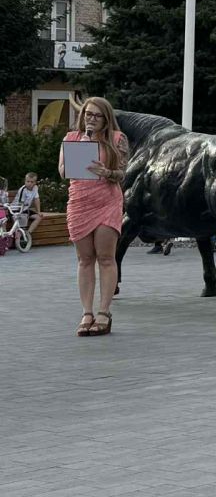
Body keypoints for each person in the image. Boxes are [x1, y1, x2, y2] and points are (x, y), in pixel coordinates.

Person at [61, 97, 130, 337]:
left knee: (106, 257)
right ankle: (86, 312)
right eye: (88, 114)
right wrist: (80, 150)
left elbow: (123, 172)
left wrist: (107, 172)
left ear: (106, 118)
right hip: (79, 202)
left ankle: (104, 312)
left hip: (106, 202)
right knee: (85, 259)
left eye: (97, 115)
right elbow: (62, 171)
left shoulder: (117, 139)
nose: (91, 119)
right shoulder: (71, 138)